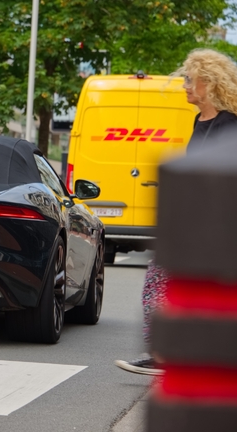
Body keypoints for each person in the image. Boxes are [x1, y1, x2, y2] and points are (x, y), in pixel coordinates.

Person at [114, 48, 237, 376]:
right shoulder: (201, 121)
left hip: (214, 229)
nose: (184, 85)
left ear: (208, 83)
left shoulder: (229, 126)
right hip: (192, 227)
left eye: (189, 79)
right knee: (162, 285)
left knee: (168, 286)